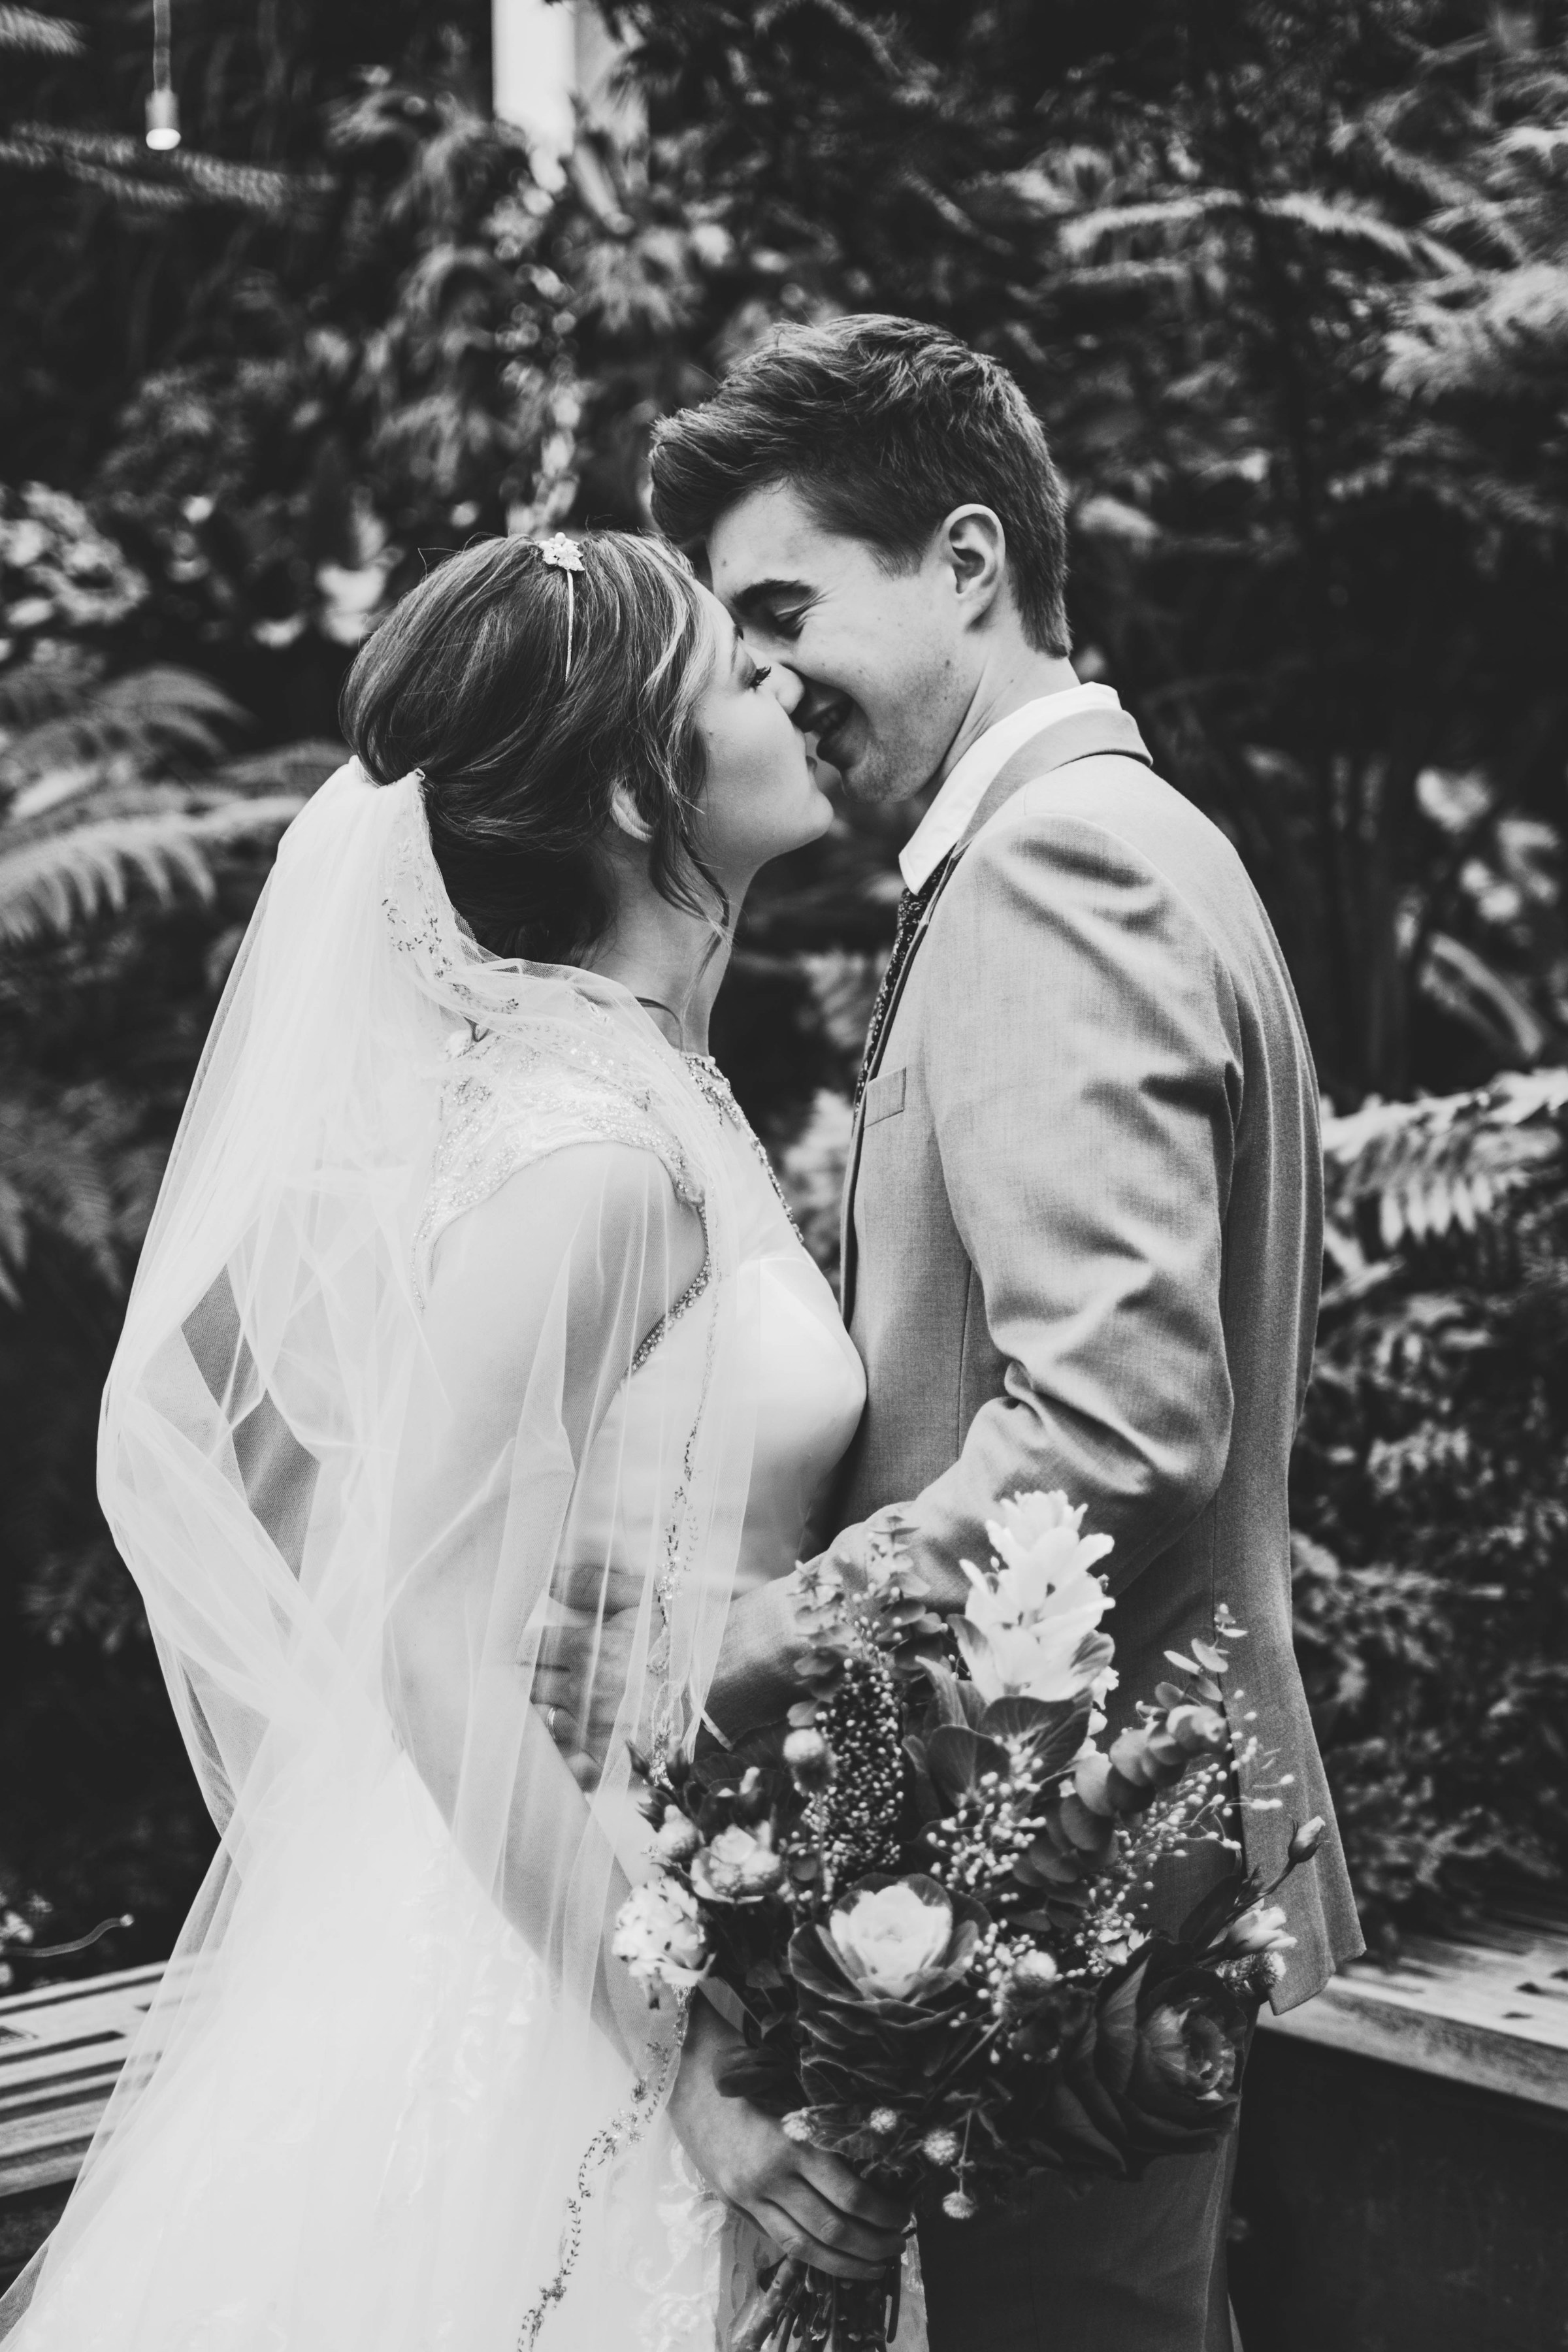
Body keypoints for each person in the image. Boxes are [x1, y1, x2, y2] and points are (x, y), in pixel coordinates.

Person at [546, 314, 1366, 2350]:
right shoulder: (1128, 836)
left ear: (972, 564)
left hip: (1075, 1870)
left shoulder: (1057, 867)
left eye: (786, 608)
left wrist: (758, 1640)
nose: (758, 676)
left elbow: (1114, 1422)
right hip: (1104, 1860)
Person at [0, 531, 908, 2352]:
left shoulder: (641, 1094)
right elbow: (431, 1637)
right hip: (574, 1985)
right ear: (635, 786)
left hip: (667, 1872)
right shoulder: (589, 1159)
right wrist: (692, 2062)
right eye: (739, 673)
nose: (786, 688)